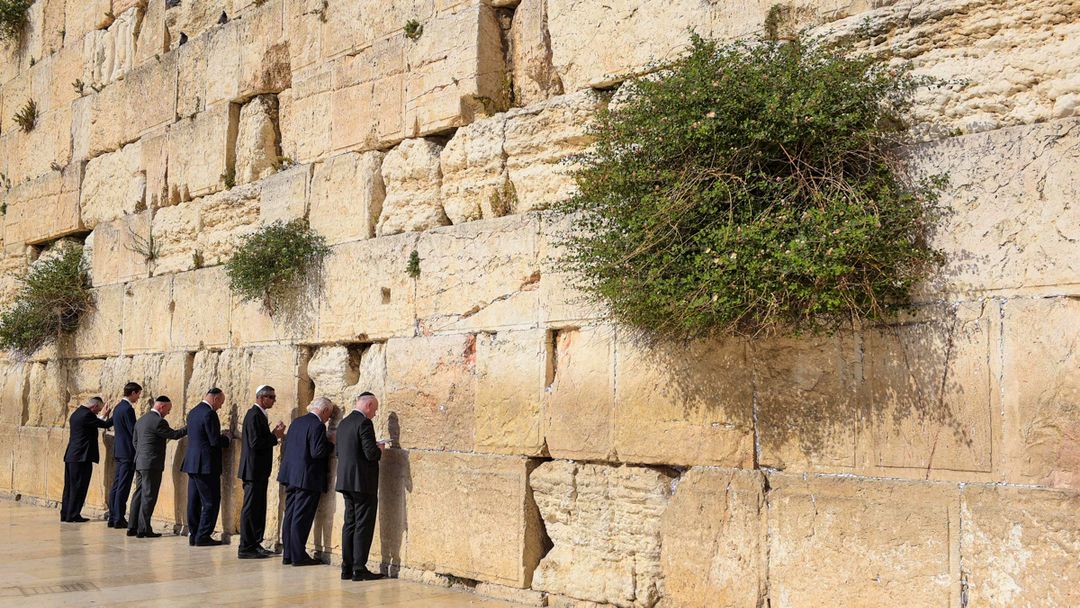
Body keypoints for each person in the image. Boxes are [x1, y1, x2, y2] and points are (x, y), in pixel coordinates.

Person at [277, 397, 335, 567]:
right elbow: (317, 452)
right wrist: (330, 443)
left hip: (291, 476)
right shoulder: (317, 425)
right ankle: (298, 556)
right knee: (301, 517)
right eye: (329, 415)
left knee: (290, 514)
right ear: (324, 411)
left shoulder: (297, 422)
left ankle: (288, 554)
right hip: (307, 478)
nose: (328, 419)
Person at [335, 392, 386, 581]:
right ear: (369, 405)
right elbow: (370, 454)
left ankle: (346, 568)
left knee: (350, 523)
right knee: (363, 525)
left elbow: (339, 452)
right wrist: (379, 448)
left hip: (346, 481)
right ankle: (359, 568)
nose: (374, 414)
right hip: (362, 483)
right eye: (375, 410)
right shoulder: (364, 423)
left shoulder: (344, 423)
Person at [237, 385, 285, 559]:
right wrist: (275, 436)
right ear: (262, 398)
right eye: (271, 397)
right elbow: (255, 442)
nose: (274, 400)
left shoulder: (259, 415)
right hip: (253, 471)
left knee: (257, 508)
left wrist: (272, 434)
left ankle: (255, 543)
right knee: (250, 509)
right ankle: (246, 547)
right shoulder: (254, 415)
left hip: (257, 471)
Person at [128, 396, 187, 538]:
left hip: (140, 462)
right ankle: (143, 529)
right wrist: (190, 426)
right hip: (151, 464)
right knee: (149, 496)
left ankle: (132, 526)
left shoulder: (141, 420)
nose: (168, 413)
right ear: (162, 406)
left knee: (138, 494)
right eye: (168, 410)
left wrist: (142, 456)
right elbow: (174, 434)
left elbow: (135, 441)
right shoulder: (159, 422)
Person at [181, 388, 231, 547]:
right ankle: (203, 536)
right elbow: (214, 440)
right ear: (215, 399)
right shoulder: (209, 414)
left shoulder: (193, 412)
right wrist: (227, 439)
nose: (220, 407)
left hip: (192, 463)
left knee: (194, 501)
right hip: (206, 465)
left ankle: (194, 534)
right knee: (211, 501)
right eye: (221, 403)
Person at [61, 397, 113, 523]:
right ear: (94, 407)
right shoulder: (87, 416)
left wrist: (102, 415)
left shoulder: (77, 413)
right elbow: (105, 425)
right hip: (81, 458)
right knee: (79, 486)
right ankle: (73, 515)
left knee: (70, 487)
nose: (98, 412)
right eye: (98, 410)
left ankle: (67, 514)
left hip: (72, 456)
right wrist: (116, 415)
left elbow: (93, 423)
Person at [107, 382, 141, 529]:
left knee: (116, 485)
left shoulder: (118, 407)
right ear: (133, 393)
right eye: (138, 394)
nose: (138, 397)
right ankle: (119, 518)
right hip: (127, 452)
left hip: (119, 451)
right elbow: (133, 431)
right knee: (123, 486)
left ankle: (113, 516)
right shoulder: (128, 409)